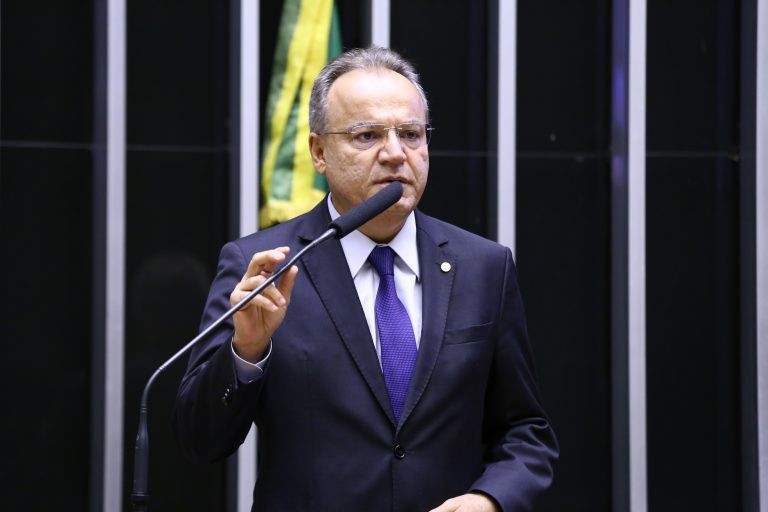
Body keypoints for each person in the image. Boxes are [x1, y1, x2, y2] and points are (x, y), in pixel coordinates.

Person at [174, 47, 558, 512]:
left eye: (411, 135)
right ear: (319, 151)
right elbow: (199, 440)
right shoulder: (263, 267)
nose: (396, 154)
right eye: (367, 135)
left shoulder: (484, 267)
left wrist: (490, 499)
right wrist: (245, 353)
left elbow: (526, 432)